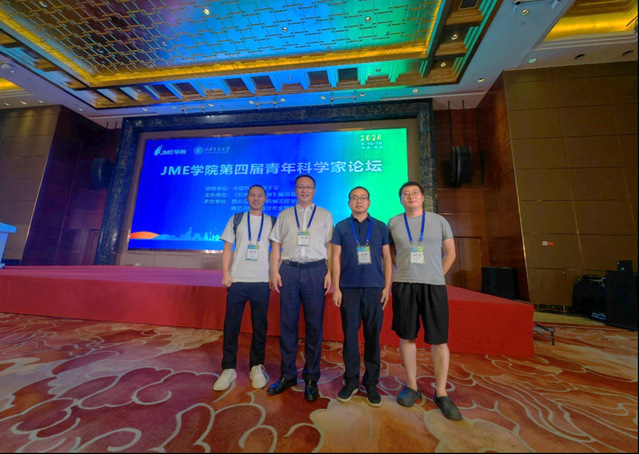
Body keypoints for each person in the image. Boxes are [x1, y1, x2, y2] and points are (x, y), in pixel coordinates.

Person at [387, 181, 462, 421]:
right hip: (404, 285)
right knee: (407, 336)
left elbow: (451, 252)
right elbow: (390, 251)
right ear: (401, 199)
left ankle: (441, 392)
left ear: (422, 197)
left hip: (434, 286)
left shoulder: (439, 221)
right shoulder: (393, 222)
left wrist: (438, 274)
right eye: (406, 194)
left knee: (439, 340)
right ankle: (412, 386)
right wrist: (400, 268)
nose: (411, 196)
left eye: (415, 193)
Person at [267, 174, 333, 402]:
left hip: (316, 271)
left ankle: (312, 378)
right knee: (288, 326)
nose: (304, 190)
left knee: (314, 327)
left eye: (309, 187)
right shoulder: (284, 215)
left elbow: (330, 247)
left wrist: (330, 273)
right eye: (300, 187)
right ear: (295, 190)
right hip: (289, 271)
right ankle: (288, 376)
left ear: (314, 190)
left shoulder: (325, 215)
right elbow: (276, 244)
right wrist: (274, 271)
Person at [331, 186, 392, 407]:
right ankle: (351, 381)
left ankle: (371, 383)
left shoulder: (380, 226)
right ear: (349, 203)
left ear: (369, 202)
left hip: (375, 289)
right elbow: (335, 258)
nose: (359, 201)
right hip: (349, 289)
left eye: (363, 198)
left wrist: (387, 288)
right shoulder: (341, 227)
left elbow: (387, 258)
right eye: (355, 198)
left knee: (373, 337)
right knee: (350, 337)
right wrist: (336, 288)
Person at [213, 184, 275, 391]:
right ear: (247, 198)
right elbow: (227, 247)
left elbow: (276, 251)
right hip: (237, 280)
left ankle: (256, 367)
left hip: (262, 281)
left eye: (260, 195)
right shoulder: (237, 219)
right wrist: (225, 272)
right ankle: (228, 369)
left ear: (265, 199)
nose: (256, 198)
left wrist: (274, 273)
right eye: (252, 195)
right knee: (231, 326)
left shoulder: (272, 221)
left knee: (260, 327)